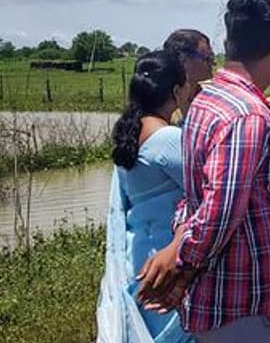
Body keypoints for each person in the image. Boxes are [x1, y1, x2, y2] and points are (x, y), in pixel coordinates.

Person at [136, 0, 270, 342]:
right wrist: (181, 267)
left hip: (228, 301)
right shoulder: (247, 115)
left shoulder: (206, 100)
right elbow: (219, 211)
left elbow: (197, 199)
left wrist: (178, 253)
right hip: (245, 304)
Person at [97, 51, 193, 343]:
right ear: (176, 91)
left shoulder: (132, 133)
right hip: (166, 260)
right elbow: (211, 194)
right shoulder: (168, 140)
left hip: (139, 255)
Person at [162, 29, 213, 118]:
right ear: (183, 59)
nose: (213, 63)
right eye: (207, 58)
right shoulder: (162, 104)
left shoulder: (210, 98)